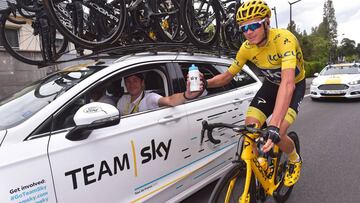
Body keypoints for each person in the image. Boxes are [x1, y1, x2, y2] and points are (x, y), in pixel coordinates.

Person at [204, 0, 305, 186]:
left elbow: (288, 82)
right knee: (250, 127)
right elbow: (226, 77)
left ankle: (294, 159)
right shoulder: (246, 49)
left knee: (279, 133)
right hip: (271, 85)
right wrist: (204, 83)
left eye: (253, 25)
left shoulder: (284, 39)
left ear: (266, 22)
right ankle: (259, 163)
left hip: (293, 86)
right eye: (243, 28)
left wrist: (274, 125)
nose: (248, 32)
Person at [117, 73, 203, 115]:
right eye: (128, 81)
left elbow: (170, 101)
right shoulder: (124, 99)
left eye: (135, 80)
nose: (131, 84)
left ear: (142, 83)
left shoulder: (150, 98)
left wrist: (186, 95)